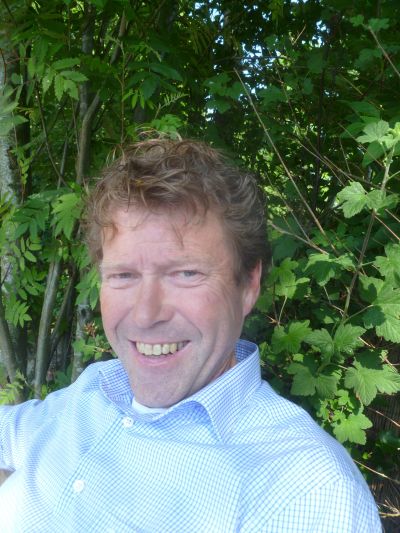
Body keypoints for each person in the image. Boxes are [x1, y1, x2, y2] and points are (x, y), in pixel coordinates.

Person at [0, 139, 381, 532]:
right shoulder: (96, 388)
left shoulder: (305, 489)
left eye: (186, 274)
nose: (146, 314)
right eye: (124, 275)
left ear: (249, 285)